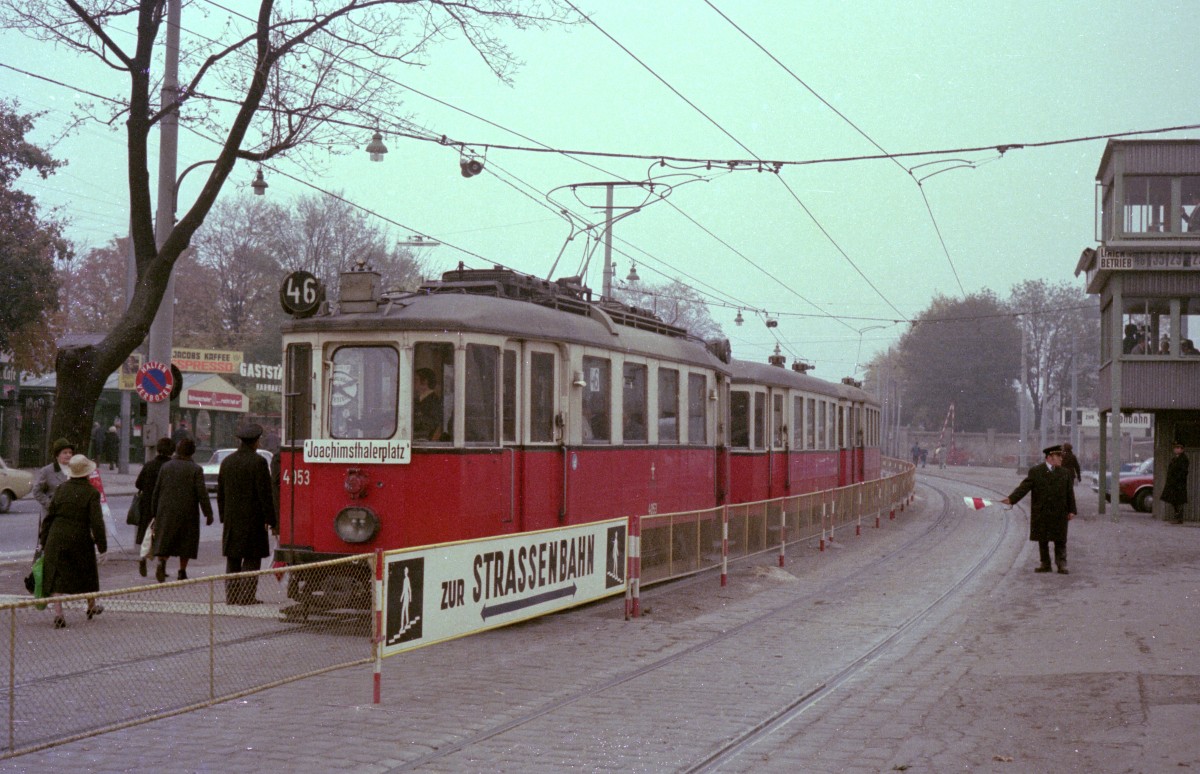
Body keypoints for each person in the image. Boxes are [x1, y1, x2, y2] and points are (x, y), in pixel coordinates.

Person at [39, 454, 106, 628]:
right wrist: (102, 545)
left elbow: (50, 516)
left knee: (57, 575)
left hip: (57, 535)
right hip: (79, 537)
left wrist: (44, 538)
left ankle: (59, 613)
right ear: (87, 473)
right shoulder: (91, 493)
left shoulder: (61, 489)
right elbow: (97, 522)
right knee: (87, 572)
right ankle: (91, 606)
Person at [217, 423, 277, 605]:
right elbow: (265, 493)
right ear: (256, 441)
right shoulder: (258, 462)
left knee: (233, 559)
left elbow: (221, 494)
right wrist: (271, 519)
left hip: (232, 519)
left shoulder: (227, 462)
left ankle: (232, 597)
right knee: (252, 558)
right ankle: (247, 597)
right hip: (253, 519)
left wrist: (223, 516)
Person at [1001, 444, 1077, 574]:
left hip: (1060, 511)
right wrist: (1012, 499)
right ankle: (1045, 563)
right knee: (1043, 539)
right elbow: (1024, 487)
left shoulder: (1065, 473)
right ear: (1050, 457)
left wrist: (1072, 510)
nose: (1061, 459)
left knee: (1060, 539)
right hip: (1042, 511)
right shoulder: (1036, 471)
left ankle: (1061, 564)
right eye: (1058, 456)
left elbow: (1070, 493)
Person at [150, 438, 212, 583]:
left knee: (165, 538)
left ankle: (162, 562)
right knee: (186, 543)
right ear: (192, 453)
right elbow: (202, 493)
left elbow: (156, 490)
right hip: (188, 511)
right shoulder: (196, 469)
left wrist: (154, 512)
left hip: (165, 510)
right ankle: (182, 571)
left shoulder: (166, 467)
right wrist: (208, 513)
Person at [133, 437, 175, 577]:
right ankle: (161, 564)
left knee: (146, 533)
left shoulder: (149, 465)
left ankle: (142, 559)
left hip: (147, 504)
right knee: (162, 535)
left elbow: (138, 484)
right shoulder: (171, 466)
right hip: (164, 505)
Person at [33, 438, 75, 530]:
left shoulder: (75, 469)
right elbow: (36, 491)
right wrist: (50, 504)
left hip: (71, 517)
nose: (68, 455)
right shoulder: (47, 471)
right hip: (52, 517)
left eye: (70, 453)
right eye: (65, 453)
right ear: (57, 455)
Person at [1161, 441, 1190, 524]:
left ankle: (1179, 518)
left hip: (1179, 484)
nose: (1175, 449)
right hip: (1173, 483)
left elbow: (1183, 472)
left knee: (1179, 500)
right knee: (1174, 500)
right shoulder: (1175, 458)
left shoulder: (1183, 459)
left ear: (1181, 449)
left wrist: (1177, 479)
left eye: (1177, 448)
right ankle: (1177, 517)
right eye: (1175, 447)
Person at [413, 367, 443, 441]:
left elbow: (431, 424)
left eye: (416, 380)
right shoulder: (417, 399)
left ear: (425, 382)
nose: (413, 383)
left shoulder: (434, 401)